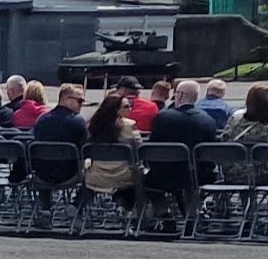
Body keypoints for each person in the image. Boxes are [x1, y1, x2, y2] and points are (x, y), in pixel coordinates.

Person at [145, 79, 216, 218]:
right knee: (191, 180)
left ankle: (163, 212)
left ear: (180, 95)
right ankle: (191, 215)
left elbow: (152, 145)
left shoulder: (163, 117)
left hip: (163, 174)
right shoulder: (208, 121)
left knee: (143, 182)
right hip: (197, 176)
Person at [28, 84, 88, 214]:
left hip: (41, 175)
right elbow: (86, 151)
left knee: (44, 162)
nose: (81, 105)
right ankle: (76, 206)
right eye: (79, 101)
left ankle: (45, 209)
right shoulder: (79, 122)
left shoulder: (41, 120)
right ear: (66, 99)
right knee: (94, 174)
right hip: (70, 175)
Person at [81, 90, 139, 209]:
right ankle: (127, 207)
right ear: (116, 110)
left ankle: (78, 205)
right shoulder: (130, 126)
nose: (130, 109)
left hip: (95, 177)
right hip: (123, 177)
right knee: (138, 175)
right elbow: (138, 152)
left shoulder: (92, 127)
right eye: (127, 106)